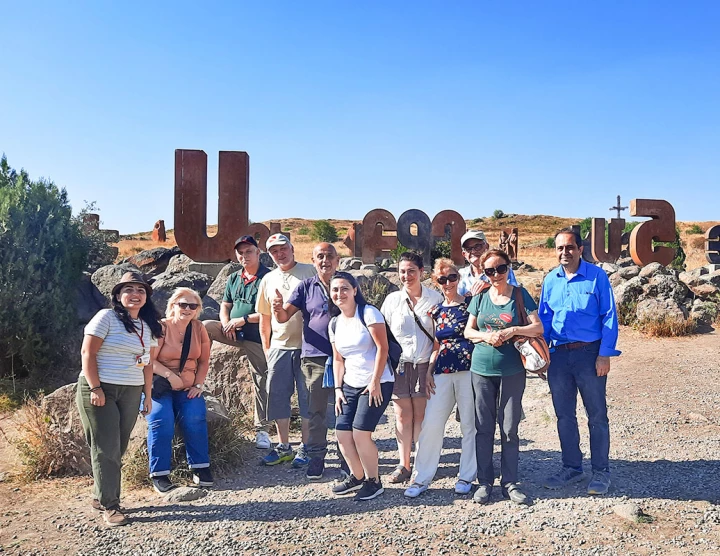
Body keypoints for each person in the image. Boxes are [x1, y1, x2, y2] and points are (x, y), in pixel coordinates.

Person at [76, 272, 163, 526]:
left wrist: (148, 395)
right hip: (101, 387)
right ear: (117, 295)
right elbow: (87, 352)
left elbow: (148, 363)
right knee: (106, 447)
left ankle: (100, 495)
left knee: (119, 445)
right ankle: (110, 506)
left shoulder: (149, 326)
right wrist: (95, 388)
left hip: (132, 390)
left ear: (146, 297)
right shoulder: (106, 317)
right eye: (129, 290)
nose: (135, 295)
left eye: (141, 290)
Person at [539, 228, 621, 496]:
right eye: (560, 248)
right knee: (564, 415)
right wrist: (542, 354)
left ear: (580, 249)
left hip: (589, 354)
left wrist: (605, 354)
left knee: (597, 415)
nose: (565, 252)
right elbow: (544, 320)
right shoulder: (550, 280)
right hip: (559, 356)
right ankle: (572, 467)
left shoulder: (596, 277)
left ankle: (601, 472)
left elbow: (609, 315)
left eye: (570, 247)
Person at [463, 250, 543, 505]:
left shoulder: (520, 295)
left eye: (500, 268)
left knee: (509, 428)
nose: (496, 274)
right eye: (489, 271)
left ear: (508, 268)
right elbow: (468, 331)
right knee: (483, 428)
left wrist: (513, 330)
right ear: (483, 273)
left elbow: (538, 327)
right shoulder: (480, 298)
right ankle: (484, 481)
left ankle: (510, 482)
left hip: (512, 370)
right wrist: (486, 336)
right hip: (482, 370)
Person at [403, 258, 477, 498]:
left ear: (459, 277)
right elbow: (436, 343)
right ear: (436, 281)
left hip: (469, 370)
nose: (448, 283)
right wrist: (428, 371)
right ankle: (421, 477)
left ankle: (466, 475)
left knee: (469, 425)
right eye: (442, 279)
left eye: (452, 277)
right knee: (431, 424)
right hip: (442, 371)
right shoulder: (436, 311)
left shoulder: (472, 304)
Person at [272, 242, 343, 480]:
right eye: (320, 256)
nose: (325, 260)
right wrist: (277, 308)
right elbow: (284, 317)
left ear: (338, 259)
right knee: (316, 410)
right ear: (313, 261)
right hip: (314, 357)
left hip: (346, 357)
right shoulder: (305, 286)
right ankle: (316, 457)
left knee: (346, 408)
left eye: (329, 256)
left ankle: (347, 457)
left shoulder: (346, 284)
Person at [328, 272, 394, 500]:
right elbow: (338, 359)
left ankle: (374, 481)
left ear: (355, 290)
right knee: (342, 433)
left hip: (377, 382)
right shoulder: (335, 323)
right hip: (349, 384)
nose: (340, 294)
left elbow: (382, 348)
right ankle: (356, 476)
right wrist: (338, 389)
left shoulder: (369, 313)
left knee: (360, 433)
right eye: (335, 289)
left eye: (345, 288)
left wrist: (375, 381)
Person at [203, 235, 273, 450]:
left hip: (256, 336)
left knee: (261, 378)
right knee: (205, 326)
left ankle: (262, 429)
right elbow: (225, 305)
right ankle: (195, 374)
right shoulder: (234, 277)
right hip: (232, 332)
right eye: (240, 253)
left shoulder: (268, 278)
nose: (244, 256)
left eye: (248, 251)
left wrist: (241, 320)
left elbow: (270, 313)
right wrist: (226, 324)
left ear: (258, 252)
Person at [380, 251, 443, 483]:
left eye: (411, 271)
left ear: (421, 273)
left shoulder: (435, 299)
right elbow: (383, 333)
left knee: (421, 416)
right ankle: (403, 463)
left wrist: (430, 369)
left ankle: (420, 463)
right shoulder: (392, 301)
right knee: (401, 416)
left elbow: (439, 337)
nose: (407, 276)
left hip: (425, 363)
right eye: (403, 272)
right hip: (400, 365)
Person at [256, 233, 316, 466]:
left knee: (306, 398)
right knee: (278, 397)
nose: (280, 254)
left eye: (283, 248)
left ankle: (307, 446)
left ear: (292, 248)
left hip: (307, 347)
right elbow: (264, 317)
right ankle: (283, 446)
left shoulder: (309, 271)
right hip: (279, 347)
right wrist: (267, 347)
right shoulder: (268, 279)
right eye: (274, 251)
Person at [147, 287, 212, 493]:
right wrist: (170, 376)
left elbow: (203, 361)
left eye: (192, 306)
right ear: (173, 306)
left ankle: (200, 467)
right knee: (160, 419)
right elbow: (149, 360)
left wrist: (198, 384)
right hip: (161, 385)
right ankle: (159, 473)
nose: (187, 309)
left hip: (188, 387)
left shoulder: (199, 328)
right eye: (182, 304)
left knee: (195, 417)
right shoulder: (161, 328)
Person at [458, 230, 519, 297]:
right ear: (464, 254)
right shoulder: (460, 274)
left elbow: (514, 295)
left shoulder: (503, 270)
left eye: (477, 246)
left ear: (486, 247)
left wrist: (490, 288)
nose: (473, 251)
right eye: (468, 249)